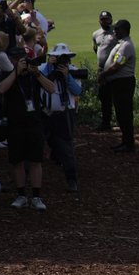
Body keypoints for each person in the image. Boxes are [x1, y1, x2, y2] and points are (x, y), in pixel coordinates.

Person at [0, 43, 54, 210]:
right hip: (15, 124)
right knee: (17, 161)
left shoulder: (34, 76)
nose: (21, 62)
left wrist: (37, 74)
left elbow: (51, 88)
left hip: (34, 123)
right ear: (12, 61)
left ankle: (36, 196)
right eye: (17, 60)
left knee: (36, 161)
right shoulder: (7, 74)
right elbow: (1, 89)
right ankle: (21, 195)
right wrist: (16, 72)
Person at [39, 43, 82, 192]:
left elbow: (77, 91)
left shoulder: (73, 71)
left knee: (67, 149)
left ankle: (72, 181)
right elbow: (37, 79)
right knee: (37, 144)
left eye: (65, 59)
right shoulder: (44, 69)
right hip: (45, 113)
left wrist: (67, 76)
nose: (62, 62)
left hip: (64, 113)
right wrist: (48, 65)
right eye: (57, 58)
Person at [98, 19, 135, 153]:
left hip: (124, 83)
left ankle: (129, 144)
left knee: (124, 113)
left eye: (117, 29)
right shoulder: (121, 44)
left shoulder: (126, 46)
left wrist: (103, 75)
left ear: (124, 30)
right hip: (118, 82)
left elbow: (117, 65)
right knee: (121, 113)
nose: (114, 31)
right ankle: (125, 142)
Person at [91, 10, 116, 131]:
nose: (105, 21)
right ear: (99, 21)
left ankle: (119, 121)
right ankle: (106, 123)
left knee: (115, 97)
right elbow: (96, 49)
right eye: (102, 19)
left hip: (114, 70)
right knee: (104, 97)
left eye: (107, 19)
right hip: (101, 70)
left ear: (111, 20)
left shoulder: (116, 33)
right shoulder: (96, 34)